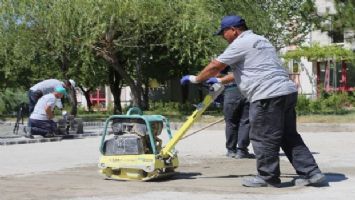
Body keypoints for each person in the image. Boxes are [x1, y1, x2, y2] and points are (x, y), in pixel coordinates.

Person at [180, 15, 325, 187]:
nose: (223, 37)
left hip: (266, 95)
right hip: (286, 92)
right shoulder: (261, 41)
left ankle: (267, 177)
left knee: (262, 136)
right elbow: (247, 71)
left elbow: (215, 66)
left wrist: (196, 79)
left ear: (233, 30)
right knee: (288, 135)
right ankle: (312, 173)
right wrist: (219, 81)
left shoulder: (240, 43)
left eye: (223, 33)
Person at [207, 66, 254, 159]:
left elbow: (217, 73)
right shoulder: (249, 58)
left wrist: (217, 80)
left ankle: (231, 150)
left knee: (231, 122)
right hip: (247, 91)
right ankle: (242, 151)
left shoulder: (228, 60)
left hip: (231, 92)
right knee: (245, 122)